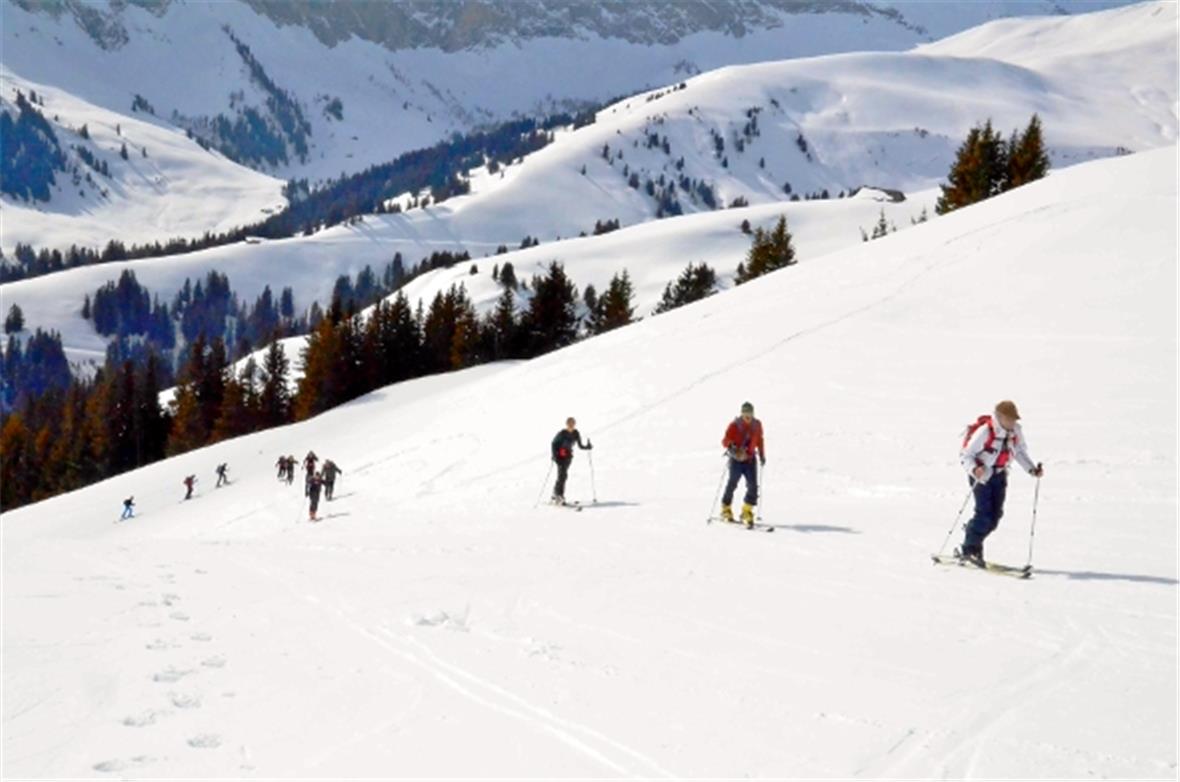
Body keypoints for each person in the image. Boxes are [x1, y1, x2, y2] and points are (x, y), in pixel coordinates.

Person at [958, 400, 1044, 564]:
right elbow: (966, 455)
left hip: (1000, 475)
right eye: (1009, 418)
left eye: (1014, 419)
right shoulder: (985, 431)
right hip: (981, 477)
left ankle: (972, 532)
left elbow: (1019, 452)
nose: (1012, 422)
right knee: (984, 515)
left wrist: (1032, 469)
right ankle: (970, 550)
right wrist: (975, 469)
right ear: (999, 417)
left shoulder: (1015, 432)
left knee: (995, 517)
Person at [720, 401, 765, 526]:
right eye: (745, 414)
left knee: (753, 486)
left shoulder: (757, 425)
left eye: (750, 414)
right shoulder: (734, 425)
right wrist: (731, 446)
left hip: (750, 460)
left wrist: (762, 454)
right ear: (741, 414)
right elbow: (725, 440)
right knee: (732, 484)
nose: (748, 416)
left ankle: (746, 511)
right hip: (736, 460)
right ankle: (726, 509)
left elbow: (760, 440)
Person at [550, 417, 592, 505]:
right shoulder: (562, 433)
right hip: (560, 456)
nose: (571, 425)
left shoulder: (576, 433)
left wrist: (587, 447)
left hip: (568, 457)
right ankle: (559, 495)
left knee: (563, 475)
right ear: (566, 424)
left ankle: (555, 493)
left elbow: (580, 446)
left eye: (572, 423)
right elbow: (553, 443)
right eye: (569, 423)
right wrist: (554, 455)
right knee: (562, 475)